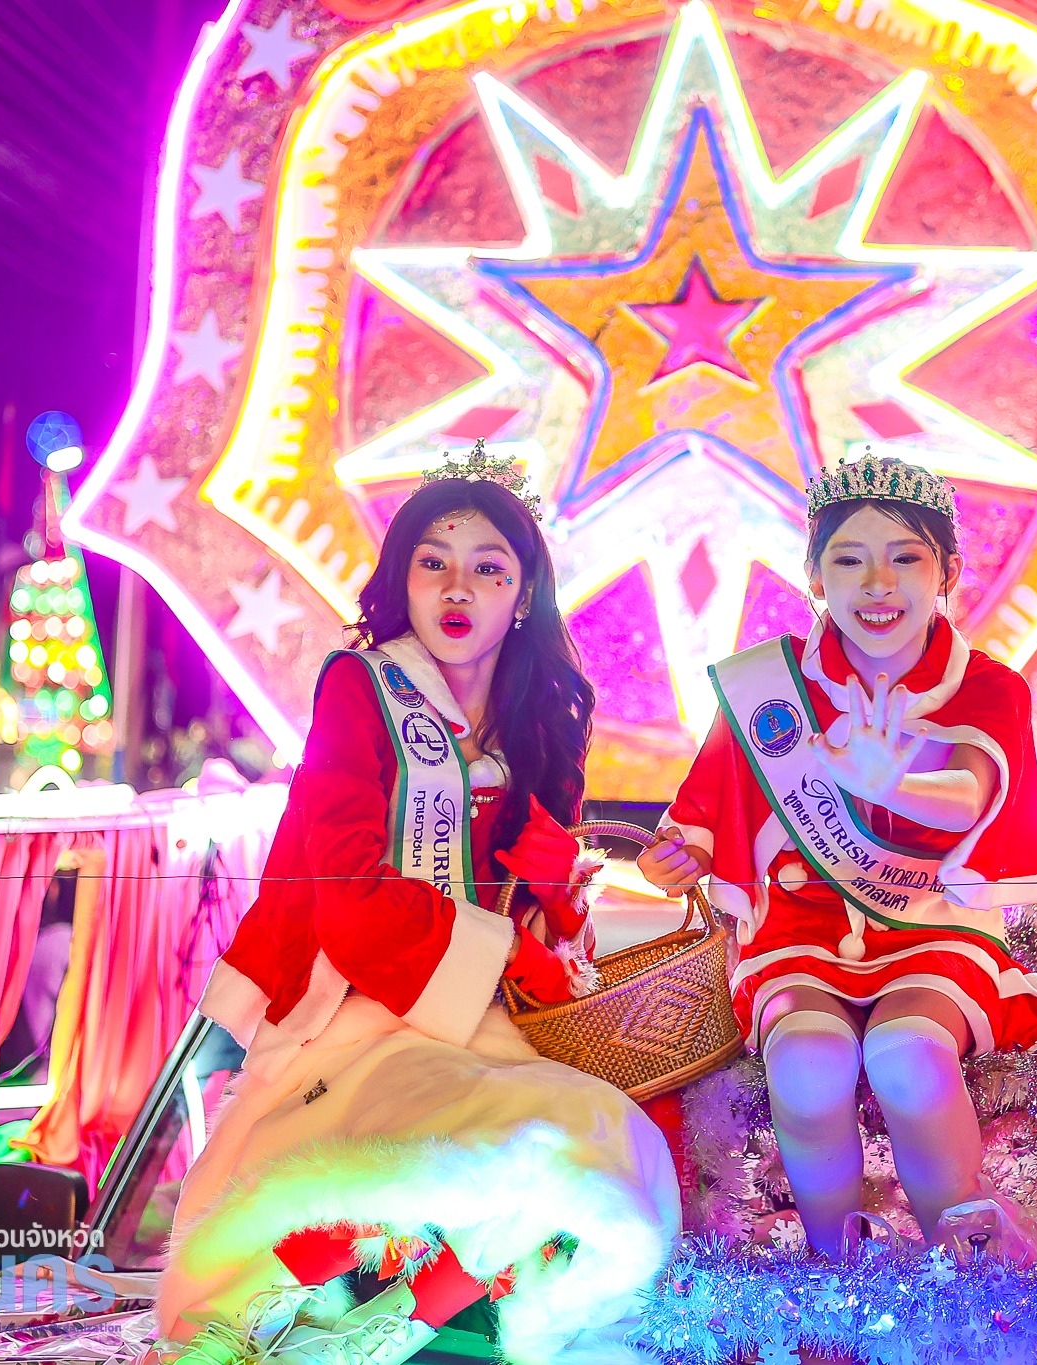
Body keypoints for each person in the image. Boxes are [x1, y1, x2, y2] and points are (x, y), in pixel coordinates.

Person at [157, 449, 680, 1365]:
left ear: (523, 593)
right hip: (357, 1002)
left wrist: (557, 899)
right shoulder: (360, 687)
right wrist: (507, 949)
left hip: (480, 1014)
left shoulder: (540, 721)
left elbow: (547, 940)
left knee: (590, 1139)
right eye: (433, 560)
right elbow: (349, 894)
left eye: (489, 566)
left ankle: (391, 1327)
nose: (457, 586)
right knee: (445, 1138)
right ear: (402, 577)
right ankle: (272, 1325)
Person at [638, 450, 1037, 1259]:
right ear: (815, 577)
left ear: (948, 571)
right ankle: (840, 1280)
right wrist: (671, 860)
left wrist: (892, 779)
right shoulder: (765, 689)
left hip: (934, 929)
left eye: (906, 557)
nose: (878, 583)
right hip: (798, 935)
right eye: (849, 560)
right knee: (808, 1061)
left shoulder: (991, 688)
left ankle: (968, 1280)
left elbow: (970, 793)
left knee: (908, 1055)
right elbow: (694, 824)